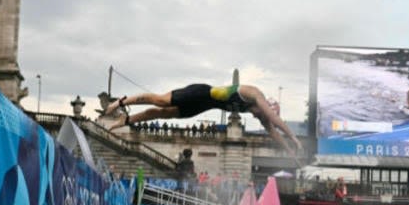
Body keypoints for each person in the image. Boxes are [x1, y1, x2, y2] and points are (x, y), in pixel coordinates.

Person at [104, 82, 303, 155]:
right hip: (200, 93)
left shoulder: (259, 112)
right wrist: (293, 138)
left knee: (161, 114)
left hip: (200, 107)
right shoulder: (254, 94)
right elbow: (275, 122)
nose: (259, 119)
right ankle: (121, 103)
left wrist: (289, 151)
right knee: (160, 101)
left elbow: (272, 131)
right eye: (263, 115)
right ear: (267, 107)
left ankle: (126, 121)